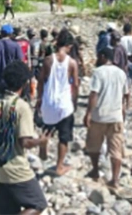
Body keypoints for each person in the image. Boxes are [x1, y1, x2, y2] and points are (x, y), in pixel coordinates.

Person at [0, 61, 50, 215]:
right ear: (25, 82)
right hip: (16, 169)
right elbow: (25, 142)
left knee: (6, 211)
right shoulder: (22, 106)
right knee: (37, 204)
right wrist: (41, 141)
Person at [36, 29, 79, 177]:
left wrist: (39, 99)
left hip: (49, 101)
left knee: (48, 127)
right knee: (64, 136)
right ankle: (59, 166)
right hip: (64, 104)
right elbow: (76, 85)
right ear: (68, 46)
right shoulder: (72, 63)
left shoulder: (48, 60)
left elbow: (41, 81)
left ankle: (43, 142)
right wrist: (75, 100)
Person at [84, 47, 127, 187]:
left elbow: (94, 94)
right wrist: (123, 111)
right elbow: (126, 94)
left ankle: (95, 171)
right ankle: (115, 179)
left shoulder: (98, 72)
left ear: (103, 56)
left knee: (94, 145)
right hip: (116, 116)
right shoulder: (121, 73)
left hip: (99, 116)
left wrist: (88, 113)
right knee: (116, 149)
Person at [0, 24, 21, 96]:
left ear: (1, 33)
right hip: (12, 78)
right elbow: (20, 62)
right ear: (11, 34)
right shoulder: (16, 45)